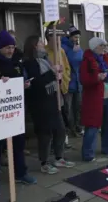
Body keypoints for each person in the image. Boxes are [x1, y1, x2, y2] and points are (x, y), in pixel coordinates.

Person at [0, 31, 36, 197]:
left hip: (16, 109)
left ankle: (20, 173)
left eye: (12, 47)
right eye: (7, 47)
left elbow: (20, 79)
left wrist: (24, 85)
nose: (10, 50)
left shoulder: (17, 61)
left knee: (19, 143)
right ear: (0, 47)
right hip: (0, 112)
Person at [23, 35, 74, 174]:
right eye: (40, 42)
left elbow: (52, 79)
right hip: (40, 103)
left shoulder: (46, 59)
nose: (42, 44)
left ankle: (59, 157)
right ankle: (44, 162)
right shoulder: (30, 62)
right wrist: (52, 73)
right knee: (45, 134)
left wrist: (57, 75)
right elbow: (36, 82)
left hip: (52, 99)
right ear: (34, 45)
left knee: (60, 129)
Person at [80, 37, 108, 161]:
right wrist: (96, 78)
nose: (104, 48)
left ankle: (107, 147)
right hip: (94, 99)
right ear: (95, 47)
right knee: (92, 126)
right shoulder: (87, 60)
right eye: (101, 46)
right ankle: (88, 153)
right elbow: (83, 79)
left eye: (104, 46)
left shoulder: (106, 58)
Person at [45, 29, 72, 148]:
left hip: (62, 87)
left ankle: (64, 138)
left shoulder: (61, 51)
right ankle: (53, 141)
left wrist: (66, 80)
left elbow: (67, 68)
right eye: (54, 37)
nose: (57, 40)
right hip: (51, 89)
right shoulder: (44, 52)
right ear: (48, 38)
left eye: (58, 38)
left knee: (65, 112)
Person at [61, 26, 84, 136]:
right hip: (69, 83)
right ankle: (70, 129)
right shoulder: (63, 48)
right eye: (75, 37)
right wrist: (73, 53)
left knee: (78, 107)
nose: (76, 39)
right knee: (68, 108)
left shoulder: (78, 48)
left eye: (78, 37)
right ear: (69, 36)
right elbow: (65, 63)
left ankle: (78, 127)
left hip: (78, 82)